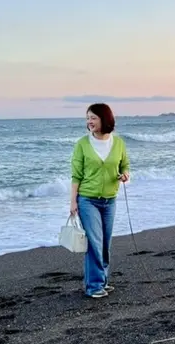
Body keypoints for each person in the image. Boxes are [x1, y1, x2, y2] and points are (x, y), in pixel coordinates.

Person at [70, 103, 130, 298]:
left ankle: (102, 281)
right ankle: (94, 286)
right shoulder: (82, 144)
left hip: (110, 200)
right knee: (94, 242)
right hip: (88, 200)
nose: (89, 121)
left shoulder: (118, 143)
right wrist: (73, 202)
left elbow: (125, 164)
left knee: (105, 243)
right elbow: (76, 175)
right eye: (87, 118)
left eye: (93, 117)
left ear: (105, 119)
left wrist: (125, 174)